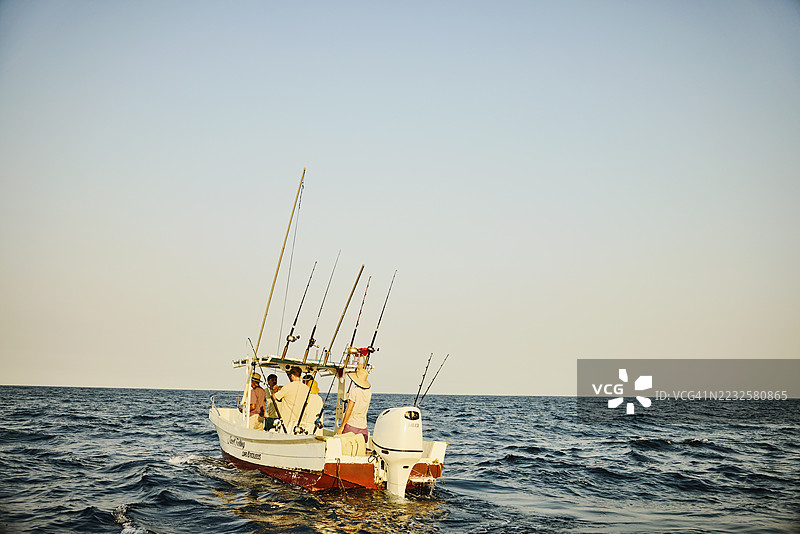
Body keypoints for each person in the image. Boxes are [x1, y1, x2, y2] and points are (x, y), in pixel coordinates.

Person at [336, 361, 372, 442]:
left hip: (352, 426)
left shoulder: (354, 391)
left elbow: (349, 410)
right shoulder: (369, 392)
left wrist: (342, 426)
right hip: (363, 427)